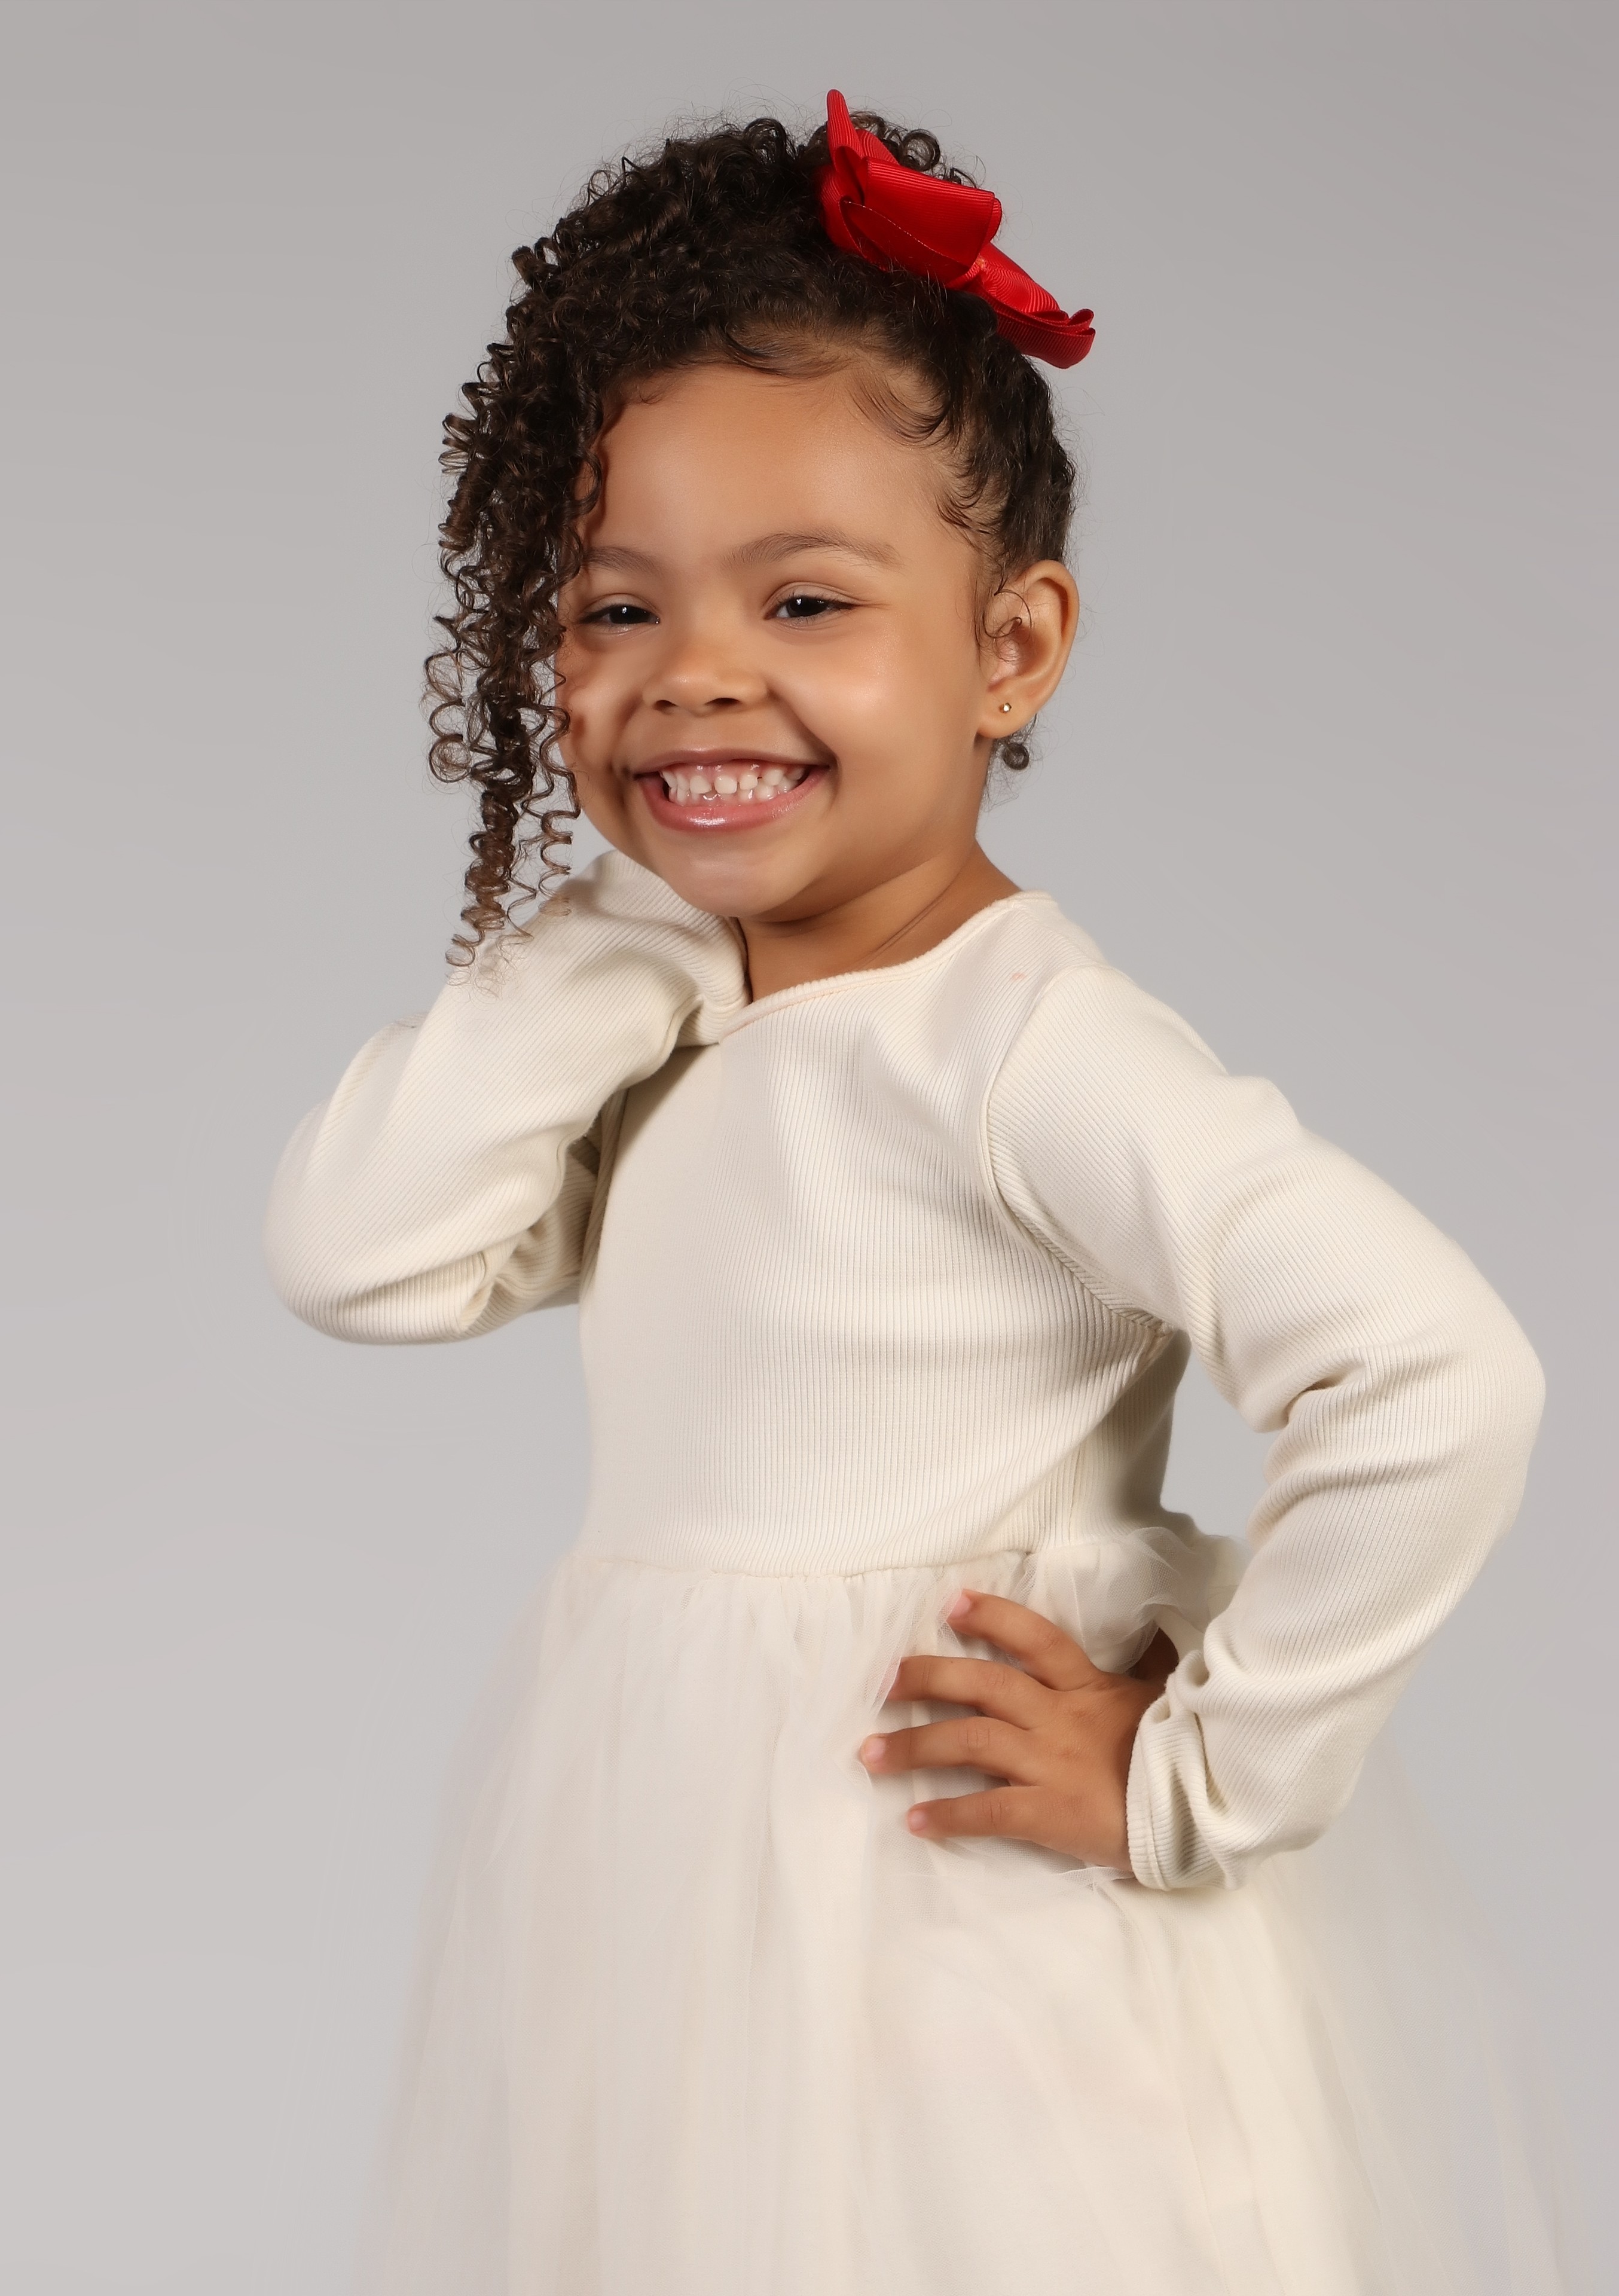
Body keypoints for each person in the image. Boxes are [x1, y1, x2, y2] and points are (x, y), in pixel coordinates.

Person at [265, 93, 1575, 2296]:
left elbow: (1438, 1378)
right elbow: (358, 1252)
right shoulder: (680, 1032)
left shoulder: (1017, 1044)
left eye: (804, 599)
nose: (696, 670)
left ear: (1009, 647)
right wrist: (624, 938)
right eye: (615, 606)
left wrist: (1194, 1776)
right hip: (692, 1919)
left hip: (957, 1934)